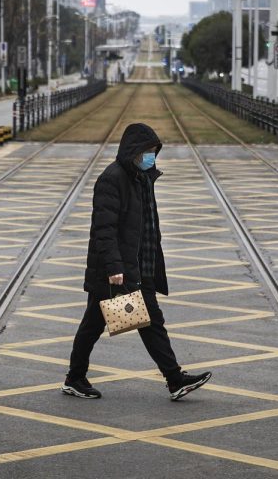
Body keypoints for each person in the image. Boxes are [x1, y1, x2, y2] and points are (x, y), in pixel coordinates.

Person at [62, 123, 212, 401]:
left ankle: (174, 379)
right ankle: (75, 378)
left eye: (155, 152)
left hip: (138, 267)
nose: (152, 158)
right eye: (148, 152)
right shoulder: (112, 178)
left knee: (145, 321)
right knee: (96, 325)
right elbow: (103, 229)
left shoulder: (142, 178)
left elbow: (143, 225)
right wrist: (114, 267)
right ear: (134, 151)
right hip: (116, 271)